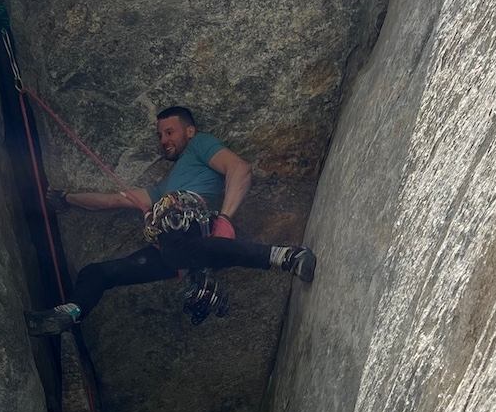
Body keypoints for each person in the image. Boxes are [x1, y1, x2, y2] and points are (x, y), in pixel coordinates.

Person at [25, 106, 316, 334]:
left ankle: (286, 256)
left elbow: (239, 168)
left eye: (169, 132)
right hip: (173, 243)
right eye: (160, 135)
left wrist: (224, 220)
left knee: (177, 249)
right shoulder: (162, 188)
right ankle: (70, 312)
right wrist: (66, 198)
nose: (163, 140)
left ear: (189, 131)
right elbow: (112, 200)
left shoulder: (200, 145)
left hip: (187, 218)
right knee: (96, 273)